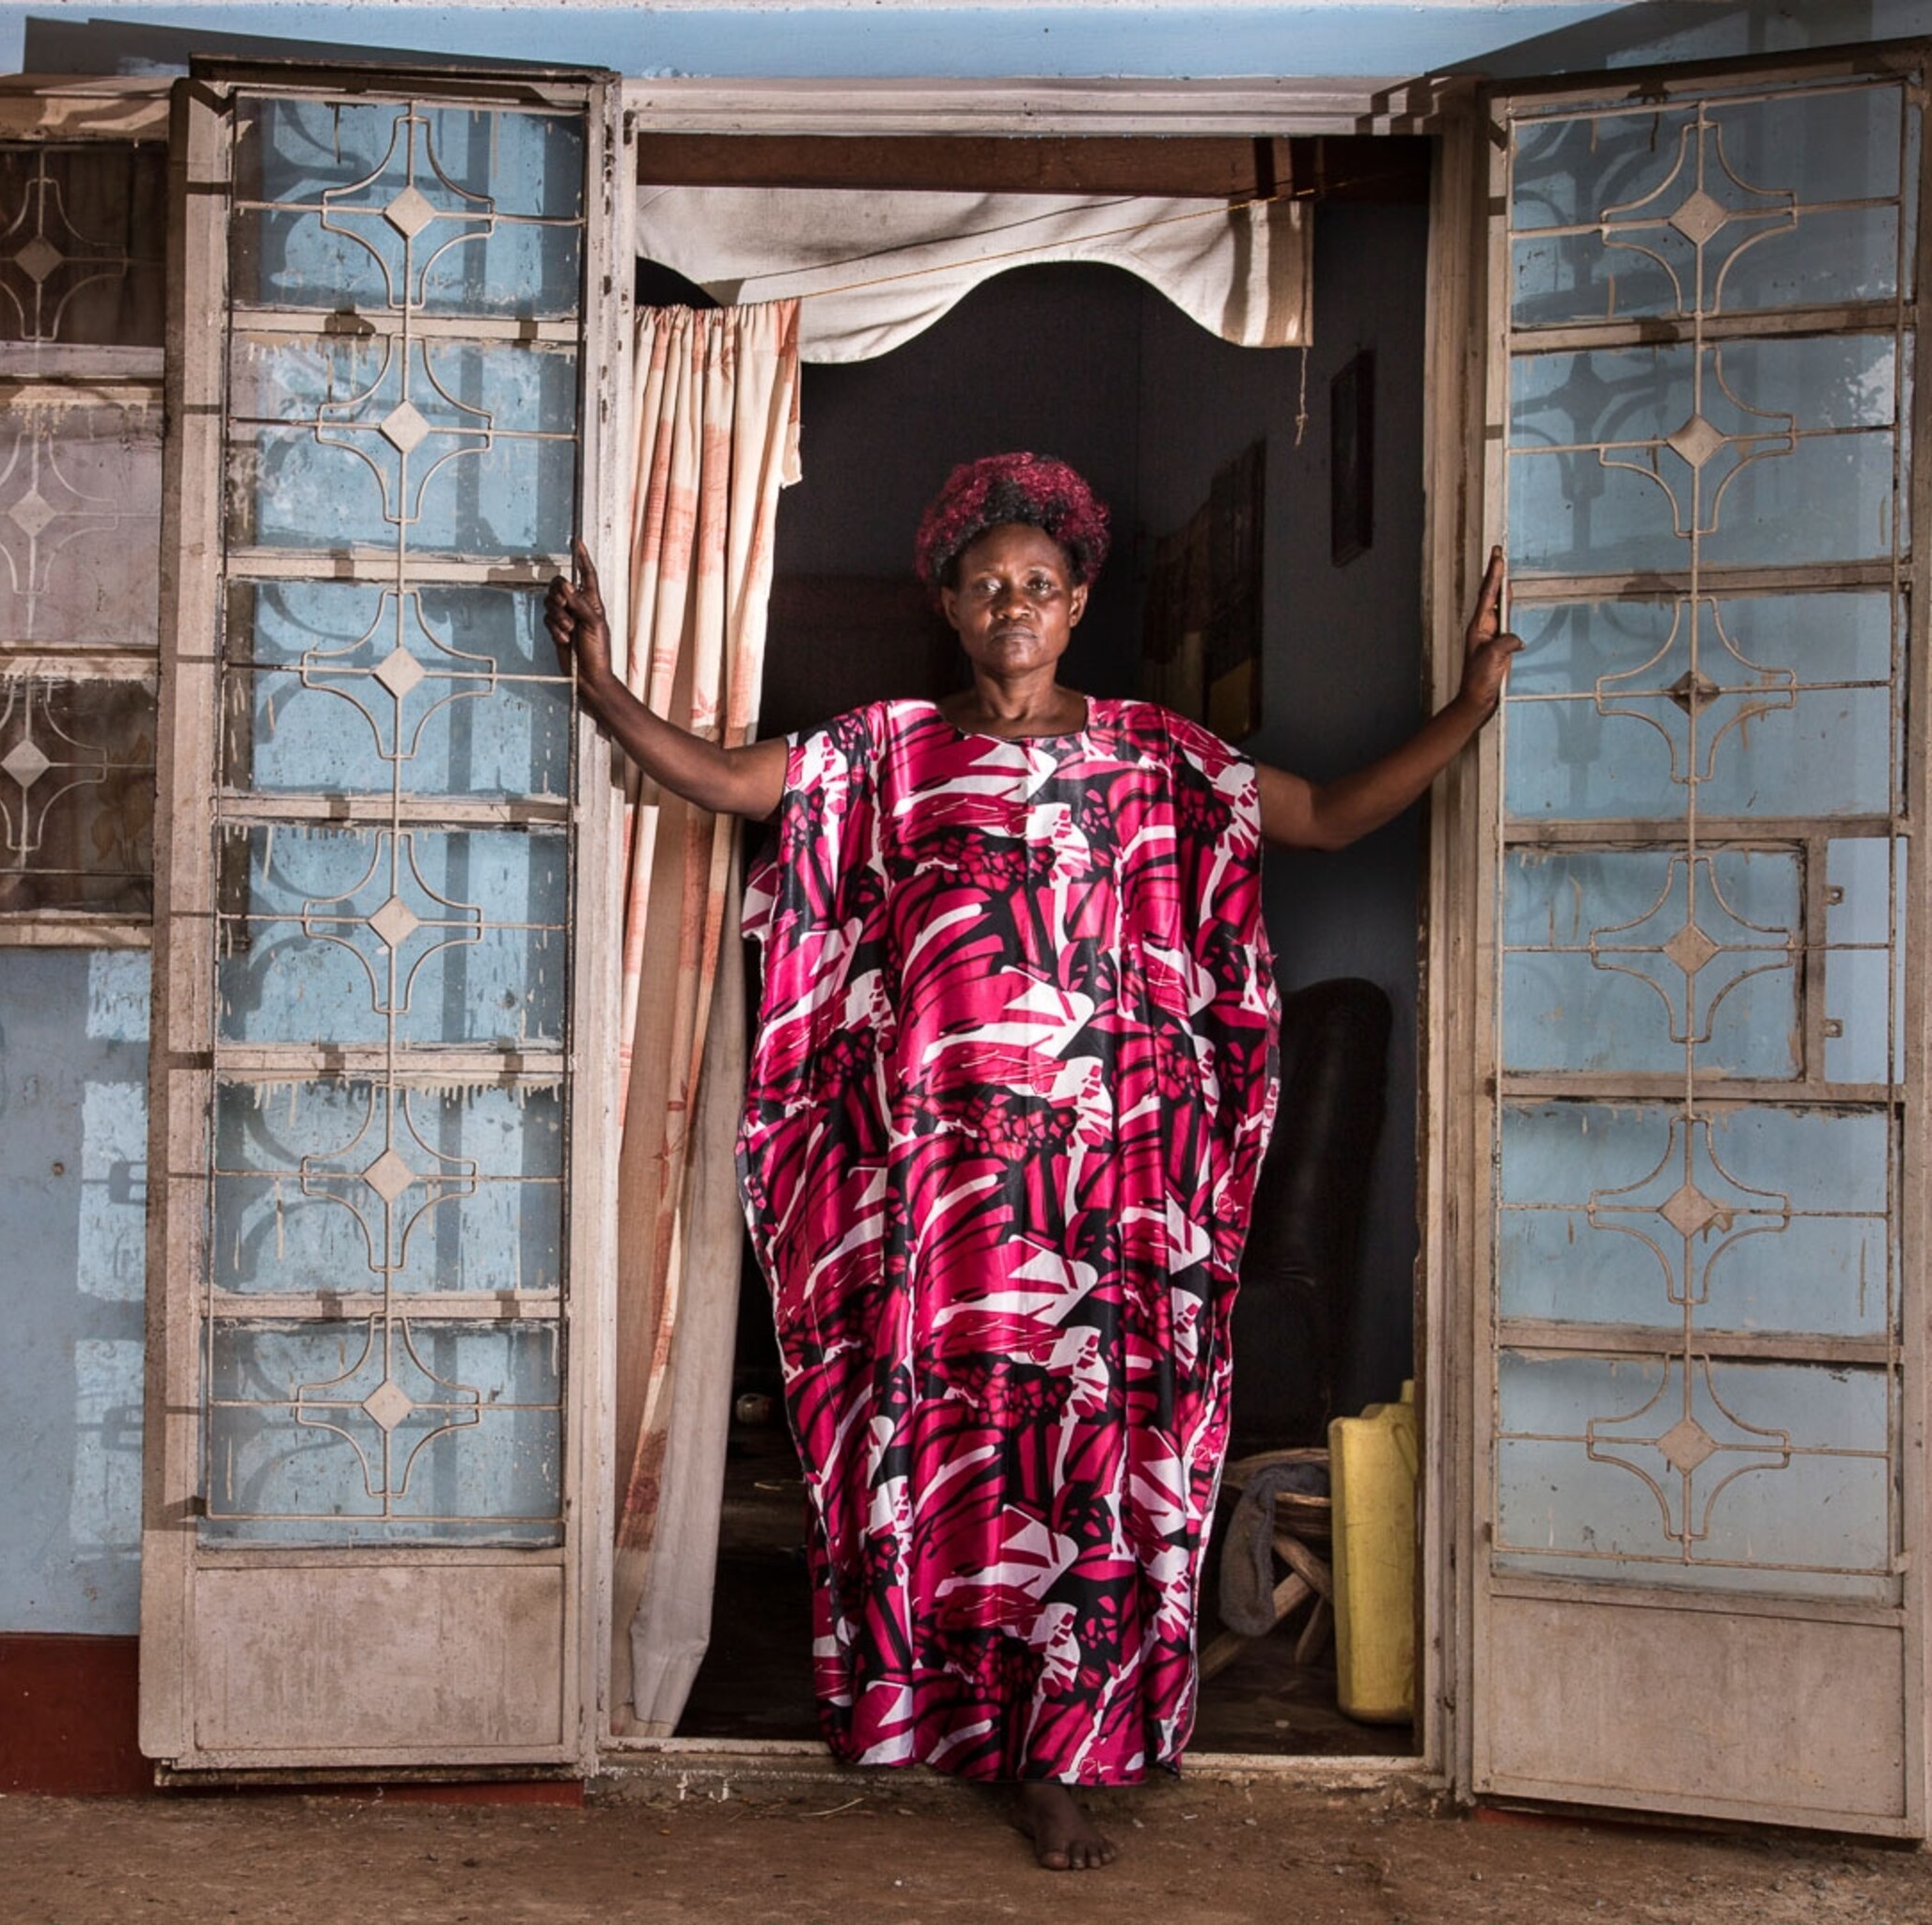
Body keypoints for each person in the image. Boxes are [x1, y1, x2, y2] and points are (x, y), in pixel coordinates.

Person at [543, 452, 1519, 1872]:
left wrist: (1472, 706)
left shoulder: (1158, 756)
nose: (1015, 606)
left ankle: (1060, 1752)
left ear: (1078, 603)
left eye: (1040, 586)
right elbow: (725, 779)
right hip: (937, 1204)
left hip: (1105, 1196)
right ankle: (945, 1719)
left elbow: (1325, 815)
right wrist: (604, 688)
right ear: (948, 601)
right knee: (945, 1457)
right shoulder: (881, 754)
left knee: (1086, 1463)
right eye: (988, 584)